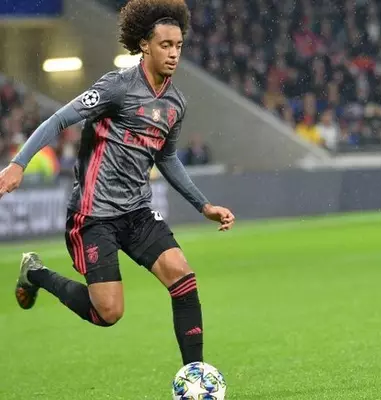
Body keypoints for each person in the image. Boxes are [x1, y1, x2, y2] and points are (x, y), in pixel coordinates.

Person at [0, 0, 235, 367]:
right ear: (144, 45)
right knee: (108, 312)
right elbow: (59, 120)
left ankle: (195, 375)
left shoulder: (175, 103)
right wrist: (18, 164)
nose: (174, 53)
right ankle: (36, 273)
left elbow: (167, 158)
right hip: (93, 216)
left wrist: (203, 205)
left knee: (183, 277)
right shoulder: (117, 87)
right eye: (165, 45)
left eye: (178, 45)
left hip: (137, 212)